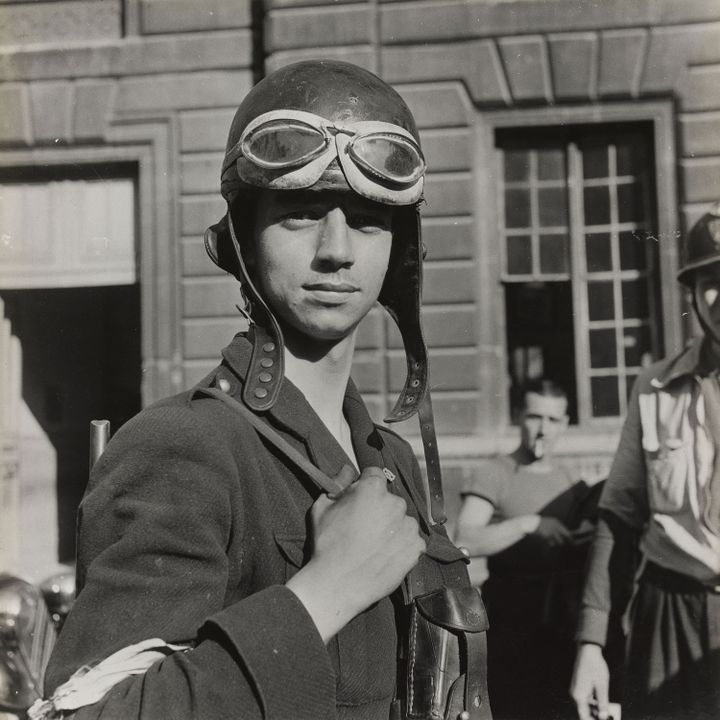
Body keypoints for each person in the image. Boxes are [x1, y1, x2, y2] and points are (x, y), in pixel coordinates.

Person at [33, 60, 489, 720]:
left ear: (400, 251)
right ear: (243, 237)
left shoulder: (391, 462)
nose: (336, 250)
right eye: (301, 214)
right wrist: (325, 592)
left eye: (366, 220)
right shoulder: (185, 448)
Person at [570, 202, 720, 720]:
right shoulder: (654, 388)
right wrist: (593, 642)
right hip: (672, 614)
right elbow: (619, 517)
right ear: (694, 295)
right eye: (711, 280)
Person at [455, 379, 597, 719]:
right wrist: (528, 525)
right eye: (535, 417)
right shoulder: (495, 473)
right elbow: (465, 541)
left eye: (553, 420)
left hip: (562, 616)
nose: (543, 430)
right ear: (519, 416)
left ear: (564, 424)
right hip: (511, 615)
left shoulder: (571, 481)